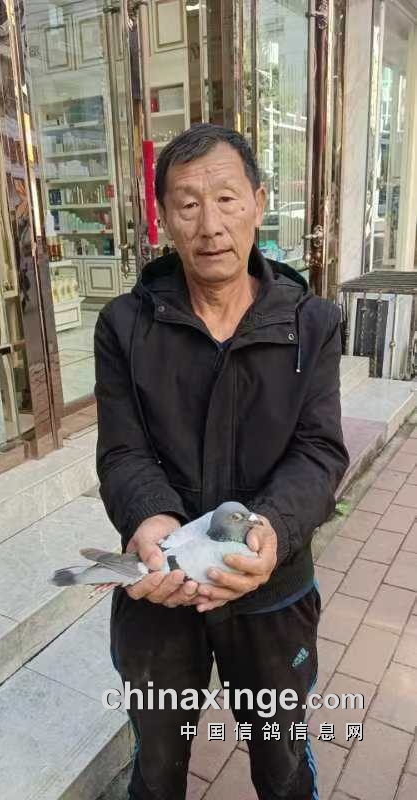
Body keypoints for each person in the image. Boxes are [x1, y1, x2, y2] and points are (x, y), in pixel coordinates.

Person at [95, 124, 349, 800]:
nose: (209, 225)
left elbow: (319, 449)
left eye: (227, 199)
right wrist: (150, 519)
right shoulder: (125, 325)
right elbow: (123, 449)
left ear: (259, 203)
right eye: (187, 204)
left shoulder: (312, 324)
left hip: (272, 588)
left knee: (282, 760)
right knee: (156, 765)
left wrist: (273, 529)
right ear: (163, 218)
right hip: (163, 589)